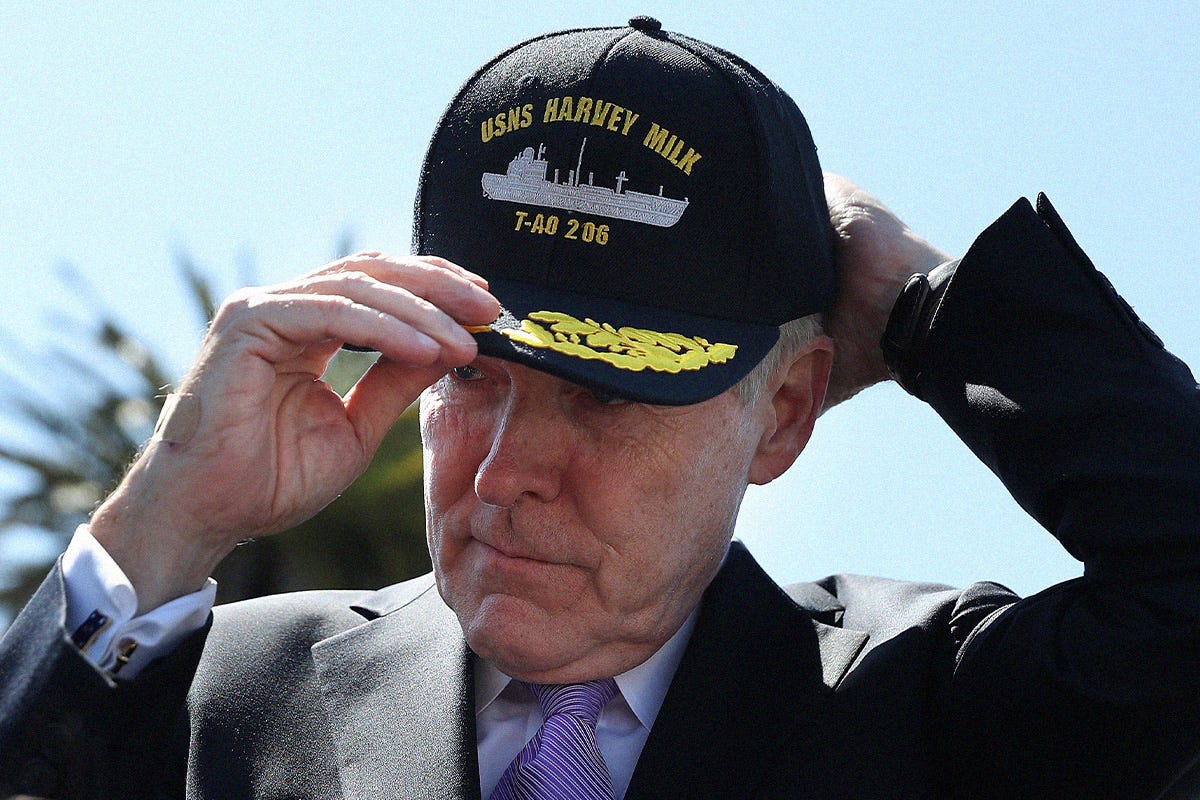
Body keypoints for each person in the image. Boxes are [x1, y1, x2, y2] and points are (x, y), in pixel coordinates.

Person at [2, 16, 1198, 800]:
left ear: (783, 413)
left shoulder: (923, 708)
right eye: (473, 374)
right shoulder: (227, 695)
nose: (507, 468)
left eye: (608, 396)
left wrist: (930, 305)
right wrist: (160, 517)